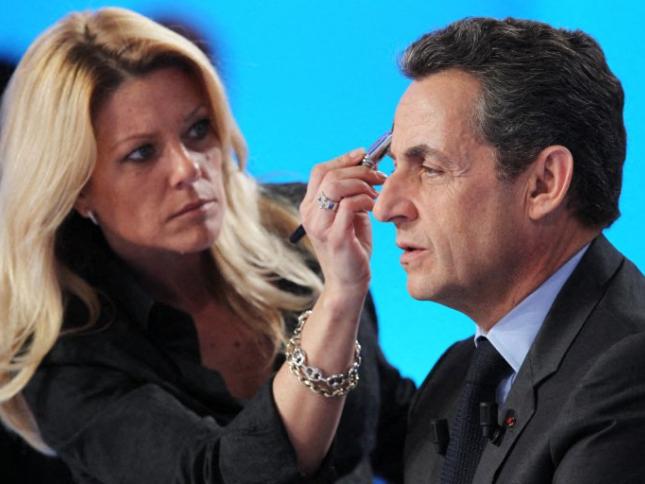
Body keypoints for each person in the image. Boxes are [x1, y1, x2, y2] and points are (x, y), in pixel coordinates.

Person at [0, 7, 413, 483]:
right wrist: (339, 301)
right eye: (141, 153)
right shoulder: (66, 353)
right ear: (77, 189)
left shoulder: (295, 230)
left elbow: (392, 427)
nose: (188, 168)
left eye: (197, 130)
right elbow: (216, 476)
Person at [371, 17, 645, 483]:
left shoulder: (630, 371)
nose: (385, 207)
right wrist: (339, 296)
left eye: (430, 168)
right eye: (395, 164)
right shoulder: (455, 374)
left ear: (544, 183)